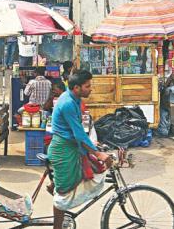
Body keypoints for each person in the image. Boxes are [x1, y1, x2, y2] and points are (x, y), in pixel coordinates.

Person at [47, 70, 112, 229]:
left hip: (70, 147)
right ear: (76, 88)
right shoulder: (68, 103)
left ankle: (55, 190)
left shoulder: (73, 98)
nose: (91, 89)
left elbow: (79, 133)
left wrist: (93, 146)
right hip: (63, 151)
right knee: (63, 195)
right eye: (87, 86)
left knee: (81, 177)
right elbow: (77, 133)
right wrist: (97, 153)